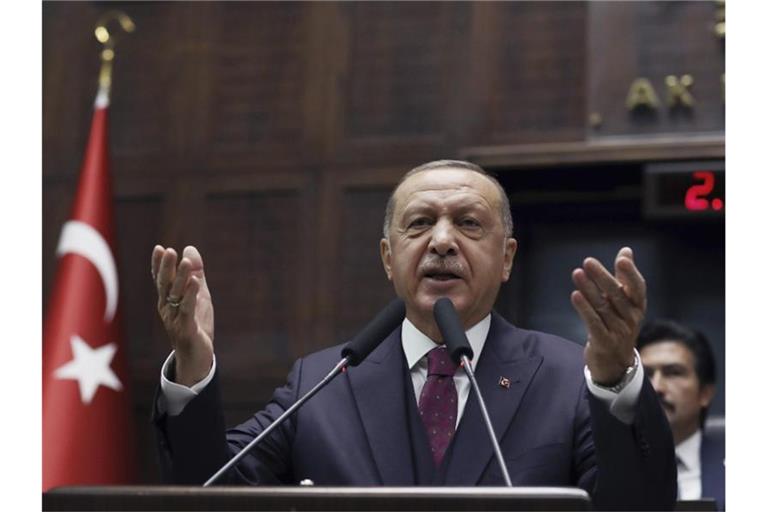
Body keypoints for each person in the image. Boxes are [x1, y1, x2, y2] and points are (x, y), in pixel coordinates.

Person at [151, 160, 676, 510]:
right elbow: (208, 493)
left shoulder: (566, 378)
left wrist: (613, 379)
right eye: (420, 223)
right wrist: (193, 364)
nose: (442, 241)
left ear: (507, 257)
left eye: (469, 223)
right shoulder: (323, 382)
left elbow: (638, 507)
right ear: (388, 257)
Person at [638, 319, 725, 510]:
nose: (656, 387)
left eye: (673, 373)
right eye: (645, 374)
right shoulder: (607, 463)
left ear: (705, 393)